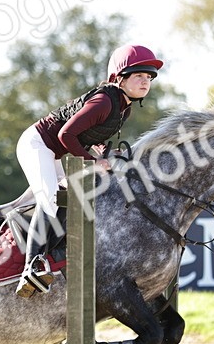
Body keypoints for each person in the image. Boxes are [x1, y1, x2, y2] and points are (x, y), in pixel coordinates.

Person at [13, 44, 162, 297]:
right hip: (37, 144)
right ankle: (31, 267)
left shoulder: (123, 107)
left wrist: (104, 154)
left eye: (148, 77)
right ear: (119, 78)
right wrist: (92, 162)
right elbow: (66, 134)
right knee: (52, 198)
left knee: (75, 197)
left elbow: (90, 136)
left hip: (54, 151)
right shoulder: (104, 101)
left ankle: (55, 254)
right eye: (138, 75)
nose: (145, 82)